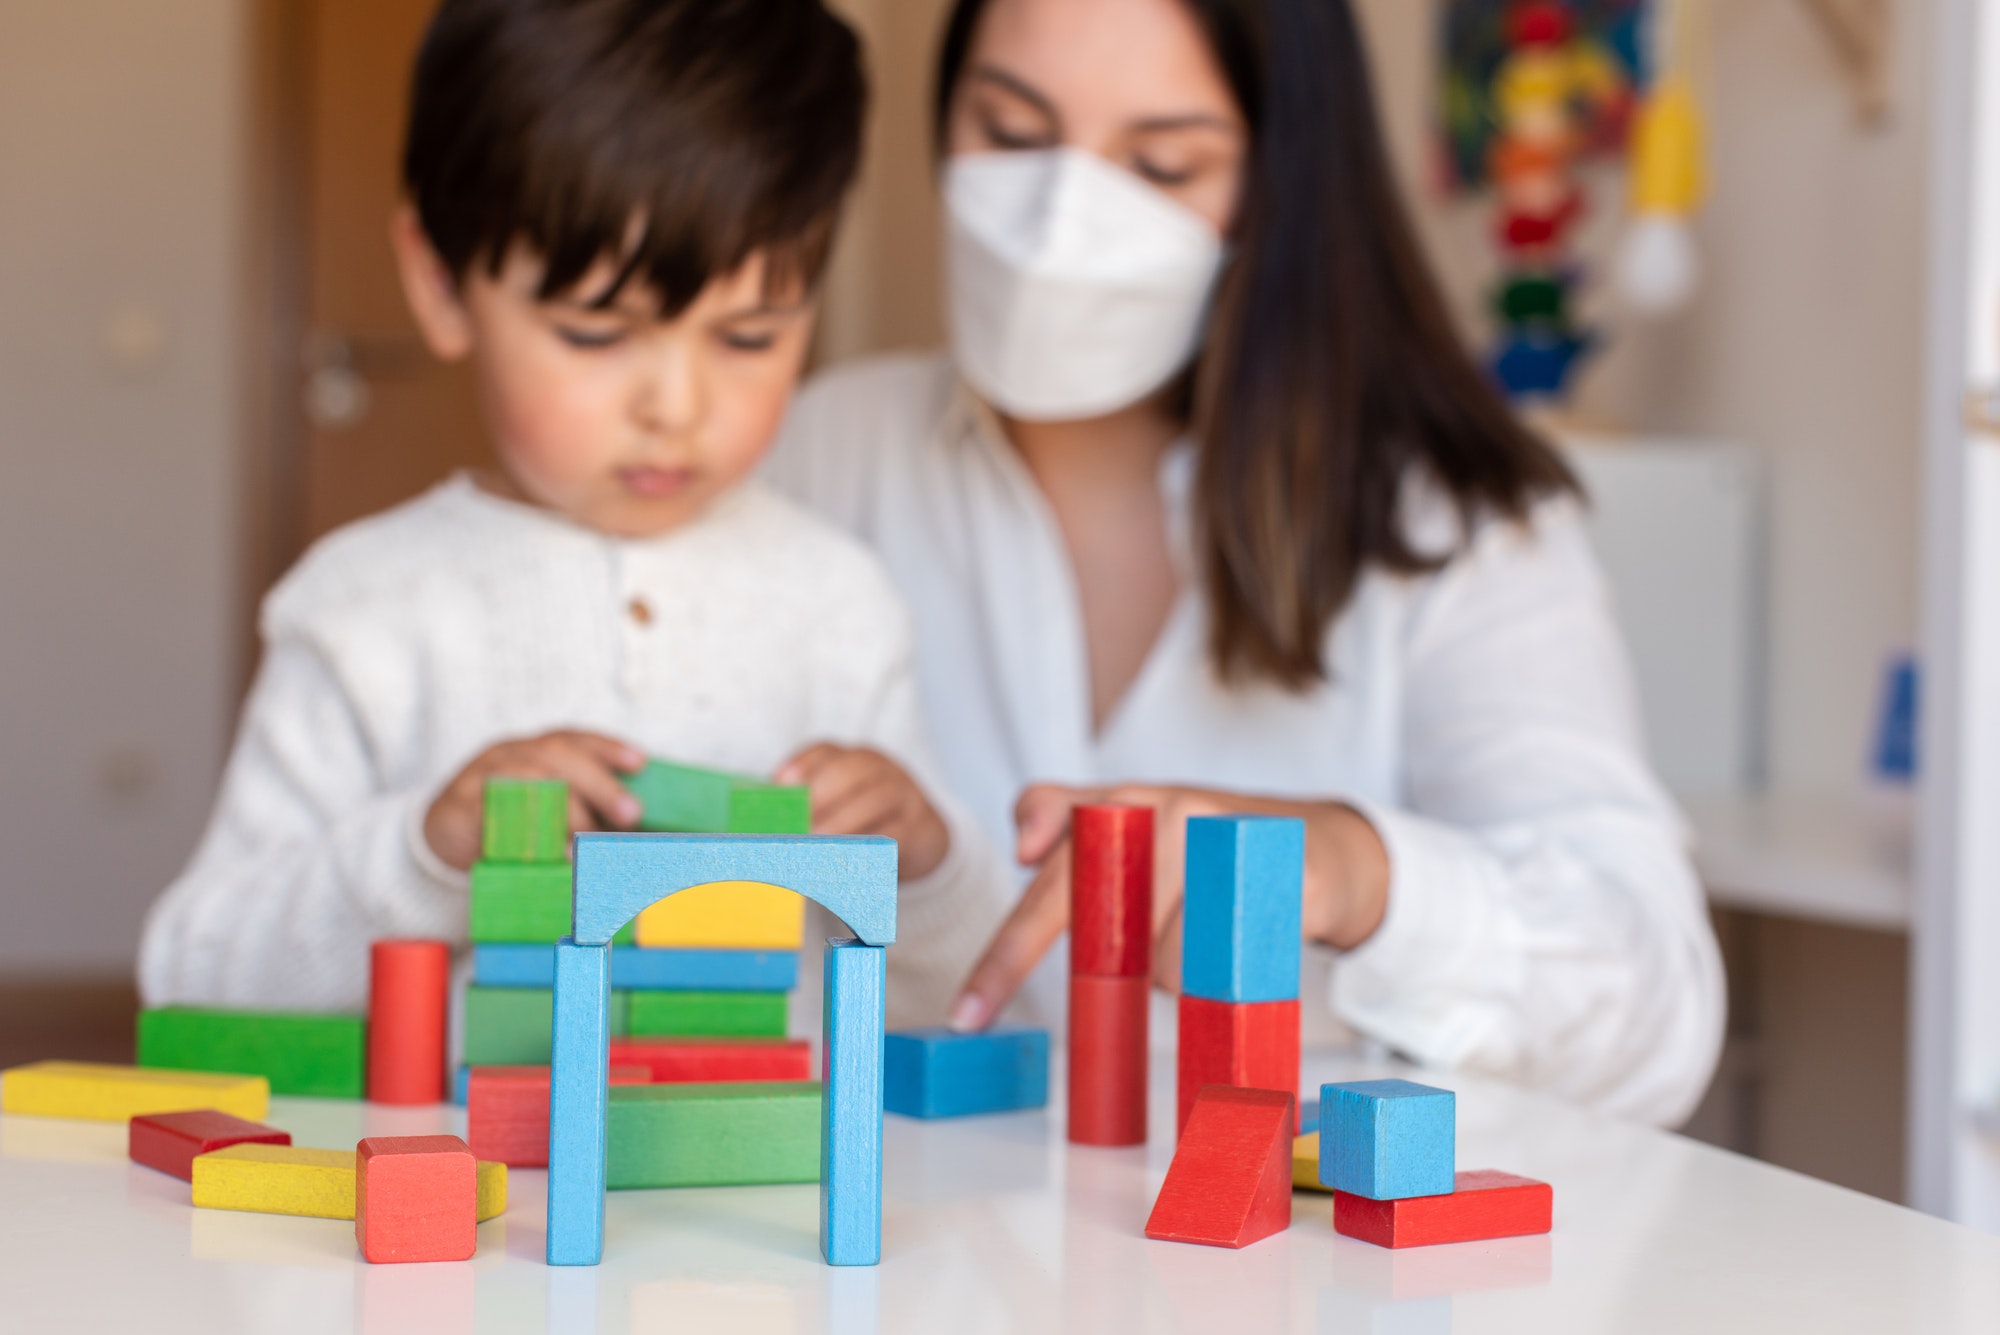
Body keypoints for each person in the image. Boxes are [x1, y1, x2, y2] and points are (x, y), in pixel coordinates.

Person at [767, 0, 1725, 1124]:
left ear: (1273, 188)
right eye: (1013, 136)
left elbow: (1656, 1019)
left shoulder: (1447, 519)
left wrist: (1355, 872)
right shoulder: (804, 458)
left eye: (1161, 164)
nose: (1060, 220)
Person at [139, 0, 1007, 1026]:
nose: (675, 408)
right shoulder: (364, 606)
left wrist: (925, 867)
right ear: (441, 286)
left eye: (749, 336)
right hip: (465, 1183)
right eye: (597, 334)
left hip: (763, 1182)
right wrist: (425, 852)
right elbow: (192, 972)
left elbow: (971, 1001)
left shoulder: (841, 601)